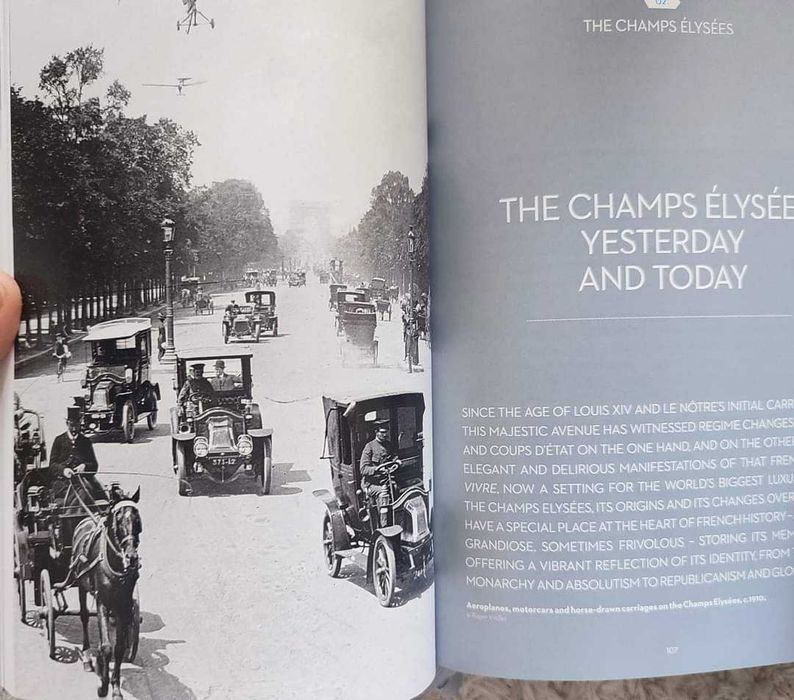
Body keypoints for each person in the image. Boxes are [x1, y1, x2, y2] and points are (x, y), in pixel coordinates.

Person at [47, 407, 105, 503]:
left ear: (80, 424)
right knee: (80, 495)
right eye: (71, 425)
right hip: (62, 483)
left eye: (77, 425)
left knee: (95, 494)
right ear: (67, 424)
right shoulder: (59, 440)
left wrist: (84, 466)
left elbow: (94, 465)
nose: (74, 429)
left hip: (83, 481)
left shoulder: (86, 442)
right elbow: (52, 465)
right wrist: (63, 470)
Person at [360, 420, 398, 526]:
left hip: (386, 480)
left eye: (386, 432)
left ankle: (396, 520)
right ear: (376, 432)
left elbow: (394, 457)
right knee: (384, 492)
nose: (385, 434)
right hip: (371, 484)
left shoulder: (388, 445)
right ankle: (383, 526)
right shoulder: (369, 447)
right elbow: (363, 469)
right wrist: (377, 469)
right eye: (382, 432)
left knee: (397, 488)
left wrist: (397, 461)